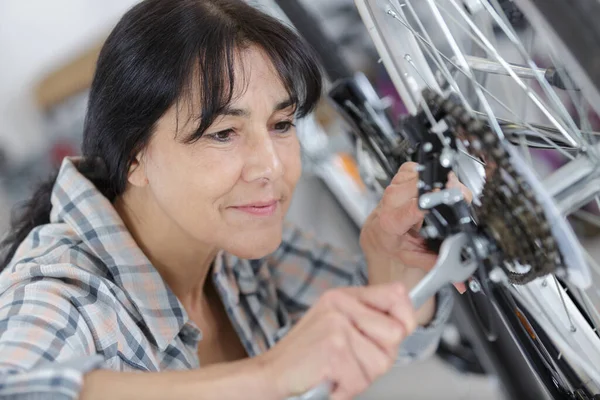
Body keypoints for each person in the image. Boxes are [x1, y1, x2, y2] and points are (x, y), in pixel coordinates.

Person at [0, 0, 468, 399]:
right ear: (135, 153)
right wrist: (268, 374)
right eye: (224, 133)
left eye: (282, 125)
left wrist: (390, 257)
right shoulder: (66, 291)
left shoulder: (238, 252)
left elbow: (389, 337)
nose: (271, 167)